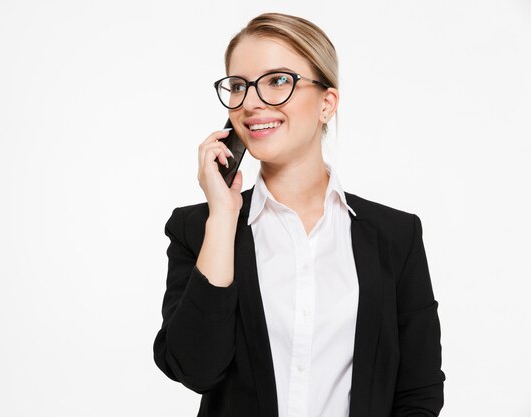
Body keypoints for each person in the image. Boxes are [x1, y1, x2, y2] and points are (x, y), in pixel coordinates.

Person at [153, 12, 445, 417]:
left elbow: (419, 391)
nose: (251, 102)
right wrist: (222, 217)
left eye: (277, 81)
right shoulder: (197, 229)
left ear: (327, 103)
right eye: (238, 86)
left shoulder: (396, 235)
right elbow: (195, 369)